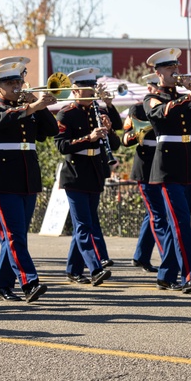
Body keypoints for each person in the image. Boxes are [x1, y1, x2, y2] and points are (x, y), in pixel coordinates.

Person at [0, 61, 58, 303]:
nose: (16, 86)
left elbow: (51, 130)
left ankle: (1, 285)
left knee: (18, 235)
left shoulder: (29, 108)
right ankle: (28, 281)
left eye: (18, 82)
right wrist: (31, 107)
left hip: (27, 176)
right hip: (2, 177)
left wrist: (40, 106)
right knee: (13, 235)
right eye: (10, 83)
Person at [144, 48, 191, 293]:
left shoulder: (184, 95)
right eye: (168, 68)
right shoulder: (153, 98)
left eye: (176, 67)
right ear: (158, 73)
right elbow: (165, 113)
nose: (175, 71)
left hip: (187, 164)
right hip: (167, 166)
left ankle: (166, 275)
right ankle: (190, 275)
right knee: (181, 223)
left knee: (180, 222)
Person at [54, 67, 120, 287]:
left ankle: (73, 270)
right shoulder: (66, 113)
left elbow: (116, 140)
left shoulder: (97, 110)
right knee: (83, 224)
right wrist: (88, 137)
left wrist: (109, 129)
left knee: (86, 223)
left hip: (95, 171)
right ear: (75, 90)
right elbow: (62, 146)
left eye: (92, 87)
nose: (90, 91)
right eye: (85, 88)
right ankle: (95, 268)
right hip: (75, 173)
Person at [122, 72, 173, 277]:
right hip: (145, 164)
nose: (155, 91)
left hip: (164, 162)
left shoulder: (167, 107)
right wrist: (141, 131)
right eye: (153, 88)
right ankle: (168, 257)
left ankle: (141, 256)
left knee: (152, 214)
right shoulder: (137, 109)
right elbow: (125, 139)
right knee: (157, 214)